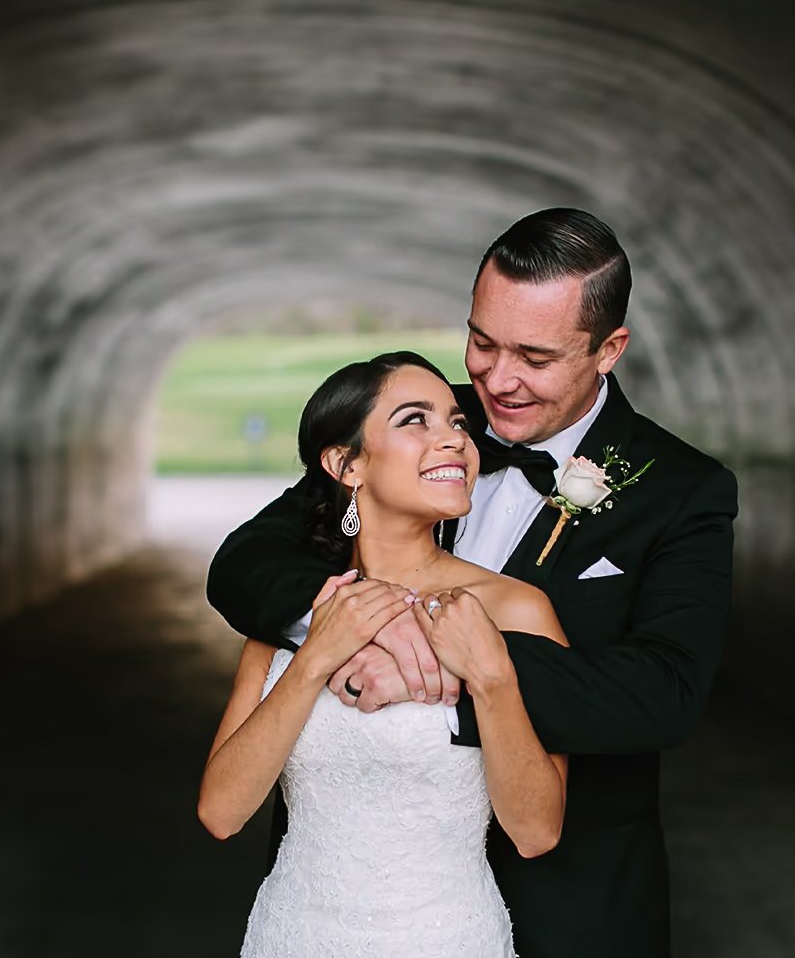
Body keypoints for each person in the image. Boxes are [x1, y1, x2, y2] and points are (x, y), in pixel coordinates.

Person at [205, 208, 738, 958]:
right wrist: (361, 622)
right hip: (338, 903)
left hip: (566, 897)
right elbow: (246, 563)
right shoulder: (418, 425)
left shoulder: (682, 489)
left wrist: (460, 655)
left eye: (535, 355)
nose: (498, 378)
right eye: (482, 341)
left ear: (609, 349)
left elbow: (666, 691)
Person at [199, 352, 569, 957]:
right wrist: (318, 656)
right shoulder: (293, 608)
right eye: (415, 420)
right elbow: (221, 812)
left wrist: (493, 676)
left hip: (447, 938)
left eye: (456, 422)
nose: (453, 440)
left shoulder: (517, 610)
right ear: (346, 464)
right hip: (296, 934)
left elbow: (536, 832)